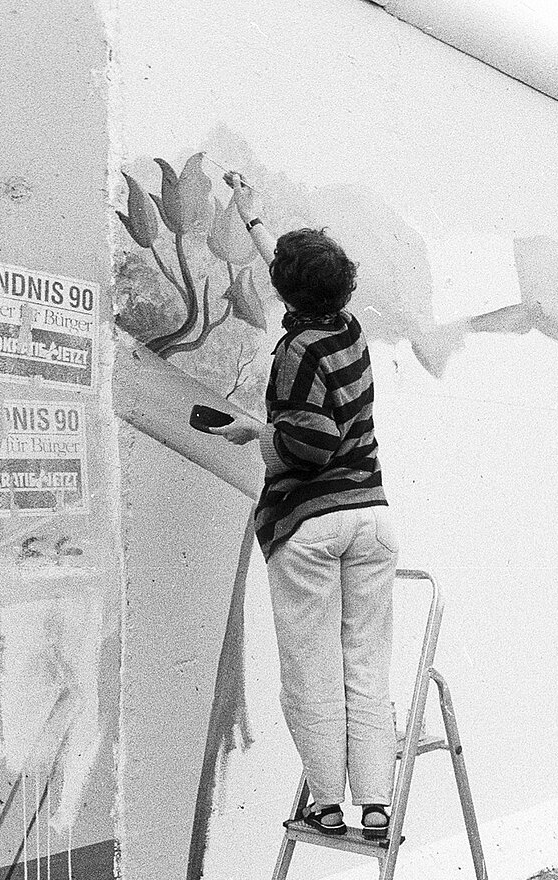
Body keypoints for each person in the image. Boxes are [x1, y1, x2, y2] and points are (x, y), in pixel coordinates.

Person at [202, 173, 399, 840]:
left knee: (311, 672)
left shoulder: (293, 353)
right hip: (371, 517)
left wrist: (254, 434)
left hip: (311, 525)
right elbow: (295, 275)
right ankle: (375, 802)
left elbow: (308, 445)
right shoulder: (346, 330)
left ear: (288, 296)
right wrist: (254, 221)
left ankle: (327, 803)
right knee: (365, 665)